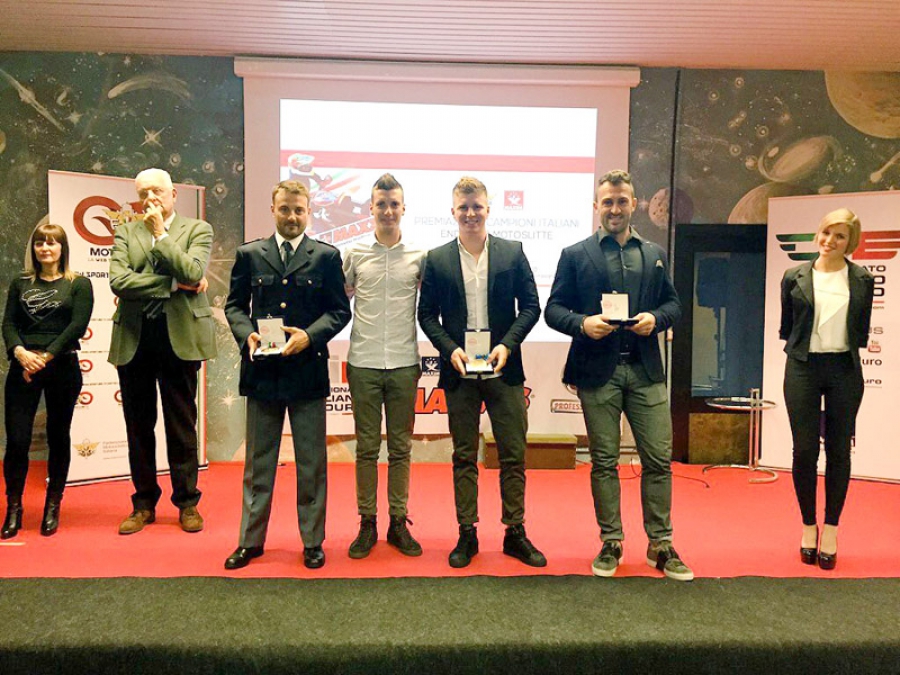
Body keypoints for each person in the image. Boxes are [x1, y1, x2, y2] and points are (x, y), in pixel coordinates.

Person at [545, 169, 692, 582]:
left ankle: (660, 544)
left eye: (622, 201)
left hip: (645, 371)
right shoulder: (575, 254)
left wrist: (656, 319)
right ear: (597, 206)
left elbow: (673, 305)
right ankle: (611, 541)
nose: (614, 208)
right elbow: (553, 310)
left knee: (658, 460)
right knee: (604, 462)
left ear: (634, 204)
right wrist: (582, 323)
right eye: (607, 202)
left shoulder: (654, 253)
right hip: (597, 374)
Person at [418, 176, 546, 569]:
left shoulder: (512, 252)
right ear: (453, 211)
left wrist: (507, 344)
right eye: (464, 207)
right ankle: (467, 532)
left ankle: (515, 532)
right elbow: (427, 315)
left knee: (513, 453)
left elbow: (531, 307)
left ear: (488, 209)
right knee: (463, 455)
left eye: (477, 207)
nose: (470, 214)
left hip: (503, 369)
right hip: (459, 371)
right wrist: (450, 350)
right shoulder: (437, 258)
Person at [223, 180, 350, 570]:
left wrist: (309, 336)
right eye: (285, 209)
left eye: (298, 210)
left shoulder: (326, 256)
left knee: (311, 464)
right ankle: (250, 541)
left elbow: (339, 311)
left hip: (306, 371)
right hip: (262, 372)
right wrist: (247, 335)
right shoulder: (250, 254)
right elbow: (234, 307)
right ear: (273, 209)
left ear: (308, 211)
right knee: (259, 463)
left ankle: (312, 541)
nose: (292, 217)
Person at [109, 168, 216, 535]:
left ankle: (187, 502)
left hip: (179, 340)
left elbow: (193, 270)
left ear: (173, 195)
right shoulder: (125, 232)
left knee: (181, 426)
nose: (150, 198)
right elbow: (119, 282)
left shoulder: (197, 230)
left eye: (156, 191)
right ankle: (143, 504)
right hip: (134, 339)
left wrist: (160, 234)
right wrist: (172, 284)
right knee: (138, 427)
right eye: (143, 193)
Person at [780, 208, 874, 571]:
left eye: (839, 236)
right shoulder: (794, 276)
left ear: (851, 242)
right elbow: (788, 327)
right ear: (817, 234)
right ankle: (808, 526)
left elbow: (861, 329)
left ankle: (831, 529)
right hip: (802, 367)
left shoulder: (862, 279)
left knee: (838, 451)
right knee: (804, 451)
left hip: (844, 370)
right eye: (825, 233)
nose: (829, 241)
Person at [343, 174, 425, 559]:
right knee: (366, 449)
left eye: (394, 204)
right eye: (381, 204)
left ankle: (397, 522)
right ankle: (367, 523)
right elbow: (336, 301)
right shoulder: (354, 254)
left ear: (403, 208)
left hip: (405, 363)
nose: (388, 211)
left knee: (401, 449)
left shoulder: (420, 257)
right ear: (371, 208)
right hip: (363, 363)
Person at [1, 224, 94, 538]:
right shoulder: (21, 283)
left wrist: (45, 357)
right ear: (34, 249)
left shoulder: (78, 284)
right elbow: (9, 323)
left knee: (58, 436)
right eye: (40, 243)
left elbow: (77, 325)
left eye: (52, 243)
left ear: (62, 248)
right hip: (23, 367)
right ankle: (14, 508)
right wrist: (19, 352)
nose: (45, 248)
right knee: (17, 440)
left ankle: (53, 505)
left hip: (62, 366)